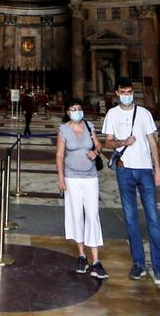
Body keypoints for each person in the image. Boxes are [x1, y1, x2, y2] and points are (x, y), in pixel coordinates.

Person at [100, 76, 160, 286]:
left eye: (129, 92)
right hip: (124, 171)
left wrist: (158, 170)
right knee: (131, 219)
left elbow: (154, 143)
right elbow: (107, 142)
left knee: (153, 219)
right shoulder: (112, 114)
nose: (126, 96)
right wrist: (123, 142)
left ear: (132, 92)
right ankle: (139, 264)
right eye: (122, 92)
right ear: (116, 93)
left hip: (145, 171)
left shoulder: (144, 114)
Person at [56, 98, 107, 279]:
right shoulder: (63, 130)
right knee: (76, 215)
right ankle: (81, 255)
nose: (76, 111)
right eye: (73, 108)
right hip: (72, 178)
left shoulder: (89, 126)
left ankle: (96, 261)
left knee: (92, 215)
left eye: (79, 108)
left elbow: (99, 146)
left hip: (90, 177)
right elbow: (60, 154)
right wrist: (61, 178)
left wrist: (96, 151)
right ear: (68, 112)